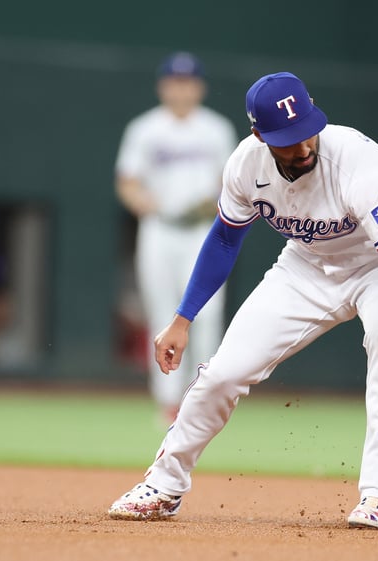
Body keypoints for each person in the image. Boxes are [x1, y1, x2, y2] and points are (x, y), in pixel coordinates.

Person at [108, 71, 378, 529]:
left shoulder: (355, 160)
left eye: (306, 130)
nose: (303, 146)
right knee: (223, 372)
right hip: (306, 264)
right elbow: (225, 241)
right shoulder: (245, 165)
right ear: (260, 135)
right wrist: (182, 318)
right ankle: (164, 484)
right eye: (288, 140)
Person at [115, 52, 238, 423]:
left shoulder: (217, 129)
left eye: (188, 81)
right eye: (175, 81)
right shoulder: (145, 128)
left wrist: (215, 201)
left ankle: (201, 399)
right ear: (163, 85)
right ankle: (169, 403)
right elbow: (127, 182)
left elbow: (231, 180)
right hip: (159, 229)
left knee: (209, 314)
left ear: (199, 86)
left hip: (203, 231)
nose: (181, 88)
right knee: (162, 314)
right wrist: (143, 201)